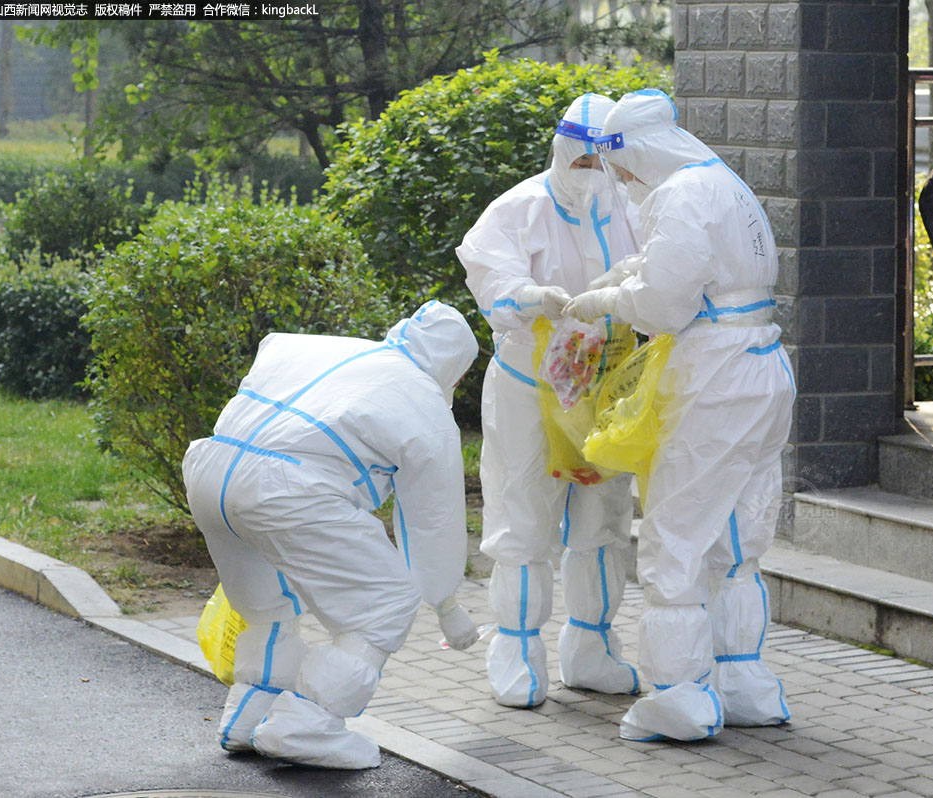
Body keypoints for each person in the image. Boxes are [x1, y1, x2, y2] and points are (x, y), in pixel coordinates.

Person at [564, 88, 796, 741]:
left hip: (716, 378)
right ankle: (743, 682)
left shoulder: (680, 194)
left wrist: (607, 300)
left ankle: (678, 698)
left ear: (635, 152)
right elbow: (695, 264)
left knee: (675, 539)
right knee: (735, 539)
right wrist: (627, 274)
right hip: (763, 368)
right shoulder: (720, 183)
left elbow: (665, 304)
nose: (623, 180)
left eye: (623, 166)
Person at [181, 301, 480, 769]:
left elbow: (269, 353)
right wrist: (446, 603)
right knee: (386, 602)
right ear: (453, 369)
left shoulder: (321, 347)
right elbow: (431, 519)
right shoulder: (423, 400)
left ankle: (247, 714)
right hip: (289, 490)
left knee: (270, 605)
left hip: (209, 470)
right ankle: (306, 725)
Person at [455, 92, 641, 708]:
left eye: (601, 162)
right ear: (561, 150)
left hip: (607, 385)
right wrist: (535, 297)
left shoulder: (631, 205)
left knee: (604, 517)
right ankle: (515, 647)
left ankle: (590, 647)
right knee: (524, 513)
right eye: (580, 161)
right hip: (530, 388)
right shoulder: (518, 209)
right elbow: (493, 281)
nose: (592, 174)